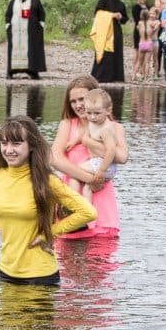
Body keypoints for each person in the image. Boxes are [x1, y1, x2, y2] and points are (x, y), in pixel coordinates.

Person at [0, 116, 96, 286]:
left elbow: (88, 212)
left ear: (31, 145)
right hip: (5, 273)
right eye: (4, 143)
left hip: (40, 277)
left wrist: (50, 233)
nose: (9, 150)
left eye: (16, 144)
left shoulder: (48, 181)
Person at [51, 75, 129, 239]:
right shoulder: (67, 125)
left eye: (82, 99)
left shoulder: (114, 127)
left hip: (101, 196)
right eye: (73, 101)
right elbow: (55, 159)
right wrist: (89, 178)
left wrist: (89, 142)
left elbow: (121, 157)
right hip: (74, 195)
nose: (78, 105)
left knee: (100, 256)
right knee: (67, 256)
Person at [67, 89, 117, 204]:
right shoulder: (93, 123)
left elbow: (111, 150)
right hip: (98, 163)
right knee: (87, 188)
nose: (92, 117)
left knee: (74, 173)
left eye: (97, 113)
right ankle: (87, 213)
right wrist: (74, 142)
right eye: (89, 113)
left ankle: (72, 203)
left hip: (104, 165)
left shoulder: (106, 129)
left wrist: (102, 171)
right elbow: (85, 134)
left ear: (108, 110)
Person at [5, 0, 46, 80]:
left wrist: (40, 26)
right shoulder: (13, 2)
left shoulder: (35, 0)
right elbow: (8, 15)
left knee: (32, 52)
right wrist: (8, 26)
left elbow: (42, 14)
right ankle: (11, 72)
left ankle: (33, 72)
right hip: (16, 34)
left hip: (31, 34)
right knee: (14, 53)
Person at [90, 0, 128, 83]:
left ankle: (116, 77)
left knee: (117, 52)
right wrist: (112, 15)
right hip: (105, 31)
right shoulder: (103, 1)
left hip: (116, 31)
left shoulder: (121, 4)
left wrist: (121, 17)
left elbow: (125, 19)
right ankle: (100, 76)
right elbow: (98, 14)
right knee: (105, 52)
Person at [131, 0, 150, 79]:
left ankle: (142, 71)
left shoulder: (149, 7)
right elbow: (136, 18)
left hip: (148, 31)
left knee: (145, 53)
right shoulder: (135, 7)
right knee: (137, 51)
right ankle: (134, 70)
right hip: (139, 30)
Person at [132, 9, 155, 82]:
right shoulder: (151, 23)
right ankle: (145, 78)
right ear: (148, 15)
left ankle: (133, 76)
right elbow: (154, 29)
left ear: (141, 16)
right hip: (149, 43)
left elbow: (137, 28)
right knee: (147, 62)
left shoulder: (139, 23)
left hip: (141, 44)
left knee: (139, 61)